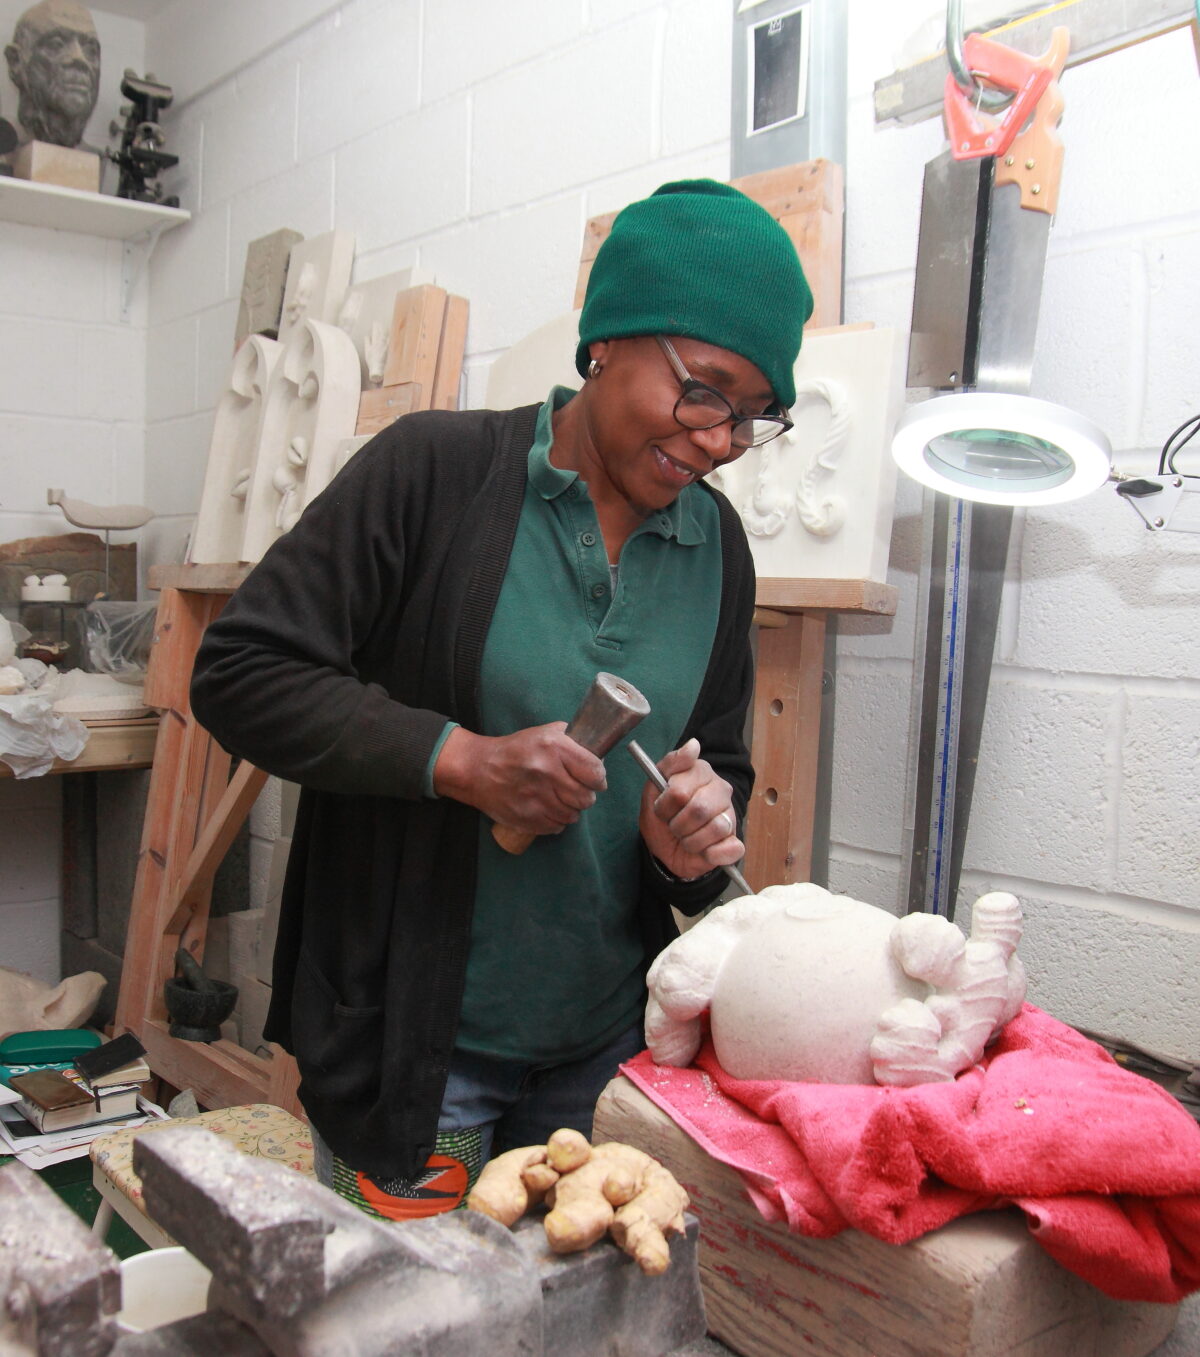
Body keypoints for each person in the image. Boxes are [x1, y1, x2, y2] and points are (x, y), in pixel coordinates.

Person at [190, 178, 813, 1221]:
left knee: (564, 1318)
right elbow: (243, 670)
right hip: (420, 1055)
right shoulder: (433, 475)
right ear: (608, 339)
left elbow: (721, 760)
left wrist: (690, 838)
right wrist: (461, 762)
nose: (718, 439)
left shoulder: (719, 548)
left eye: (754, 417)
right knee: (404, 1318)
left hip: (603, 1055)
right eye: (705, 390)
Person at [5, 0, 100, 151]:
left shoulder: (98, 158)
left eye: (91, 50)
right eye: (57, 44)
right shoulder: (5, 146)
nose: (80, 59)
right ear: (15, 62)